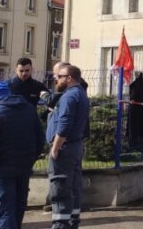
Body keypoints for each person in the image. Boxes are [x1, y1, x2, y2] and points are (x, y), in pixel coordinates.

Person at [0, 81, 44, 229]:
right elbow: (40, 139)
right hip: (24, 166)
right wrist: (31, 160)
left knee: (5, 209)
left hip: (1, 168)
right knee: (18, 206)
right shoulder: (28, 109)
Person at [46, 64, 90, 229]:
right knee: (73, 185)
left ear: (69, 78)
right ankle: (72, 221)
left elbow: (64, 123)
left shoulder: (69, 97)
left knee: (60, 185)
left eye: (60, 76)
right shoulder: (80, 94)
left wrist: (56, 147)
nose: (57, 78)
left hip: (65, 147)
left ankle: (60, 224)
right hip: (75, 146)